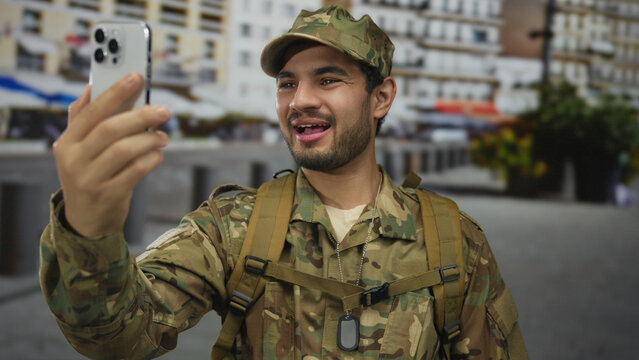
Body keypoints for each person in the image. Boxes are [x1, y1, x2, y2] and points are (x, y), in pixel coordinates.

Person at [40, 5, 528, 359]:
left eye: (329, 80)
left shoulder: (453, 241)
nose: (300, 100)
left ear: (381, 98)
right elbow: (117, 337)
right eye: (288, 82)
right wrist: (89, 228)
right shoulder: (230, 227)